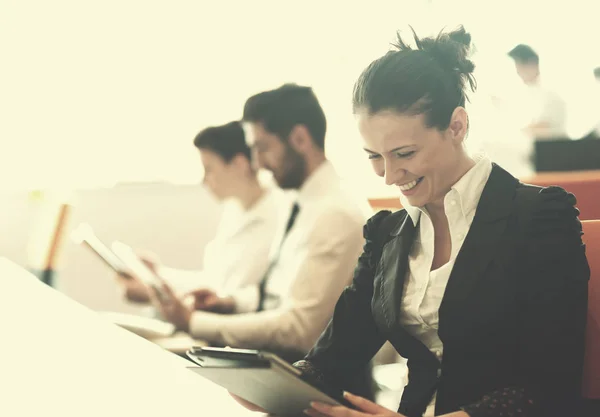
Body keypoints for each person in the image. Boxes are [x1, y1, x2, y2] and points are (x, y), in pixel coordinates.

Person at [238, 27, 589, 417]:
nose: (389, 176)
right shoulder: (388, 234)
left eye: (404, 153)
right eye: (374, 156)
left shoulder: (539, 217)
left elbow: (548, 384)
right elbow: (331, 359)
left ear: (457, 126)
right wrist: (269, 384)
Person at [151, 85, 371, 367]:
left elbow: (300, 330)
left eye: (262, 148)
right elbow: (279, 294)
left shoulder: (335, 213)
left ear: (299, 138)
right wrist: (229, 302)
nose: (257, 163)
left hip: (315, 375)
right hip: (282, 359)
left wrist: (195, 321)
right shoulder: (299, 202)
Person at [118, 121, 282, 313]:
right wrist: (159, 274)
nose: (204, 180)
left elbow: (224, 296)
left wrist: (154, 291)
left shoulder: (273, 220)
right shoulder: (235, 209)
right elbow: (213, 279)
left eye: (209, 169)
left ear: (239, 164)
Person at [507, 43, 567, 140]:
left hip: (553, 149)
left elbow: (543, 125)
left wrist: (516, 131)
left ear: (532, 64)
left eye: (518, 66)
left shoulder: (550, 93)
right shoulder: (529, 93)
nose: (518, 72)